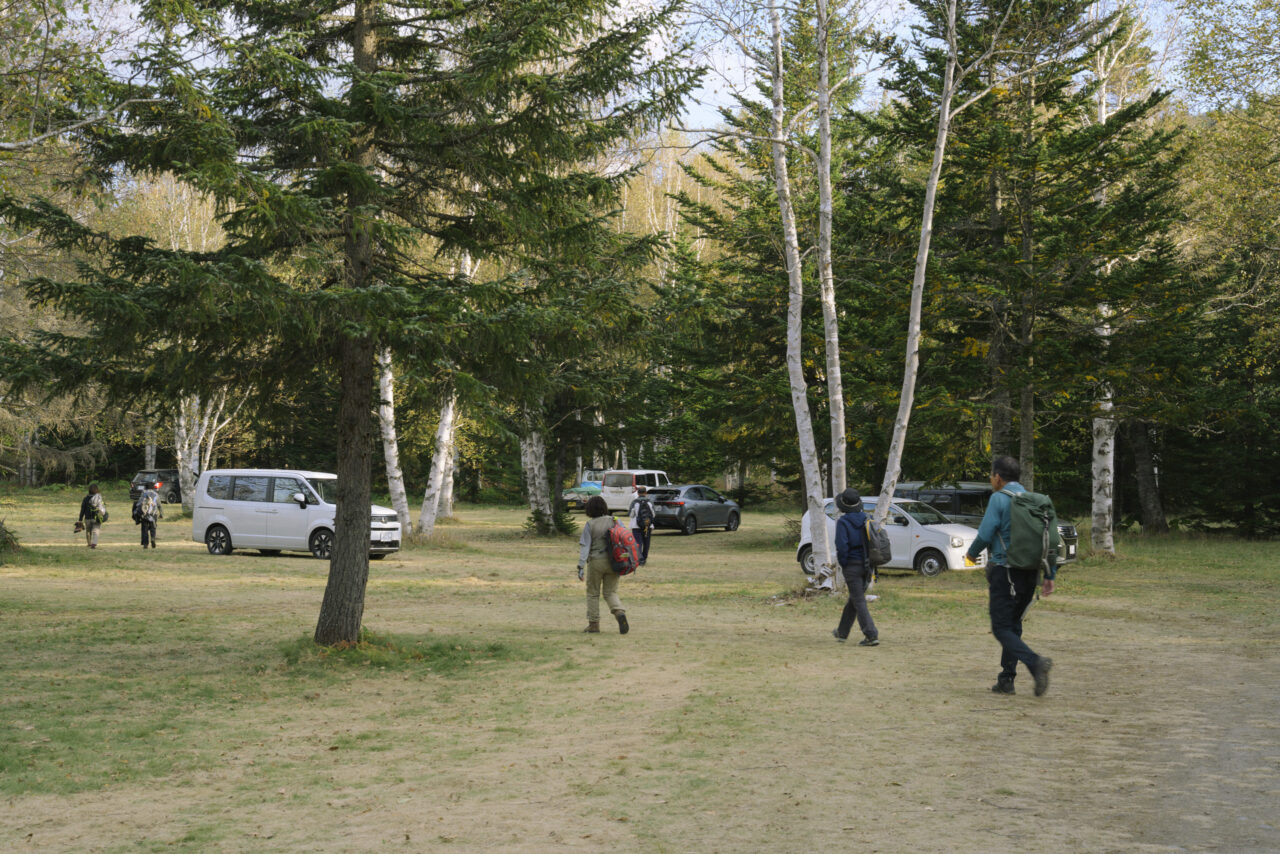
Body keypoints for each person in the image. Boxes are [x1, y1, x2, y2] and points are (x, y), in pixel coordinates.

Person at [965, 455, 1056, 697]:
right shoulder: (1034, 501)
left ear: (998, 477)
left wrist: (971, 554)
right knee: (1013, 625)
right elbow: (1052, 541)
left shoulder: (999, 499)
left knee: (1001, 628)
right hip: (1031, 572)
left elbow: (985, 534)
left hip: (1005, 571)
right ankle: (1006, 680)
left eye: (991, 475)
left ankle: (1035, 663)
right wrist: (1051, 574)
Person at [832, 487, 879, 646]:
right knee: (854, 598)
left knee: (858, 600)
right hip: (867, 565)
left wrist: (844, 563)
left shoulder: (843, 522)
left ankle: (871, 635)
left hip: (852, 565)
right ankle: (842, 632)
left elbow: (841, 546)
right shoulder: (867, 518)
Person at [576, 495, 629, 635]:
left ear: (590, 509)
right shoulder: (615, 521)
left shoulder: (590, 524)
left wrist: (580, 566)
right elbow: (625, 539)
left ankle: (594, 624)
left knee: (593, 593)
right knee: (610, 592)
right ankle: (619, 612)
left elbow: (585, 546)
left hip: (596, 561)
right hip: (615, 561)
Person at [628, 486, 654, 566]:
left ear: (638, 493)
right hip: (647, 526)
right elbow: (653, 514)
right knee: (646, 543)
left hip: (636, 527)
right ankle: (644, 557)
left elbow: (631, 515)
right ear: (645, 493)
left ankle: (640, 559)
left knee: (638, 543)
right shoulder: (649, 502)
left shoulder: (634, 502)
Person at [78, 483, 106, 549]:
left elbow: (82, 509)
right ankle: (94, 543)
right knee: (96, 530)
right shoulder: (98, 498)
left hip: (87, 518)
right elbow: (101, 507)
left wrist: (80, 519)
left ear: (89, 490)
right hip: (96, 518)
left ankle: (89, 543)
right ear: (97, 490)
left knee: (88, 531)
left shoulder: (85, 499)